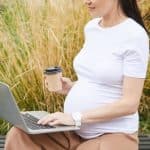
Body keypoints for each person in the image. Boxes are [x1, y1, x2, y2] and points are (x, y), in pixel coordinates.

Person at [5, 0, 149, 150]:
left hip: (113, 135)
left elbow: (130, 104)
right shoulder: (92, 28)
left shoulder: (134, 36)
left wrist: (74, 117)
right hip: (75, 132)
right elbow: (96, 79)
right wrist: (71, 87)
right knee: (19, 135)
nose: (87, 1)